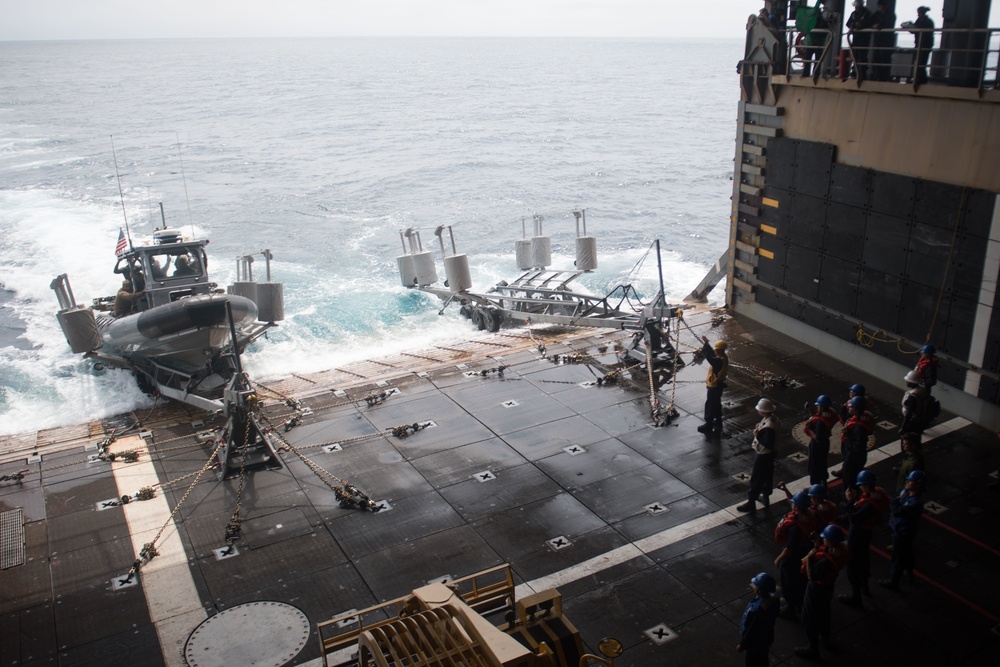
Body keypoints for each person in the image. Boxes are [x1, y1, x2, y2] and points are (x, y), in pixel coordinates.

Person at [794, 524, 849, 661]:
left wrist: (811, 557)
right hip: (828, 588)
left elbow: (811, 576)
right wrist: (817, 544)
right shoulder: (840, 551)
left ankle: (813, 648)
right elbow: (828, 551)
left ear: (829, 541)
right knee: (824, 613)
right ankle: (825, 638)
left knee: (809, 616)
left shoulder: (825, 562)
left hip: (816, 589)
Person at [839, 469, 890, 607]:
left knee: (853, 563)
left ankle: (856, 595)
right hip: (867, 532)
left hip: (858, 533)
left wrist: (850, 502)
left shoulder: (869, 504)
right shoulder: (878, 493)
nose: (860, 488)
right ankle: (865, 587)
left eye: (861, 485)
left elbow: (855, 518)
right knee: (863, 559)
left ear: (866, 486)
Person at [774, 489, 817, 619]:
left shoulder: (795, 528)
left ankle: (791, 607)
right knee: (800, 579)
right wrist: (786, 490)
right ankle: (798, 602)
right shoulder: (810, 515)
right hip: (804, 551)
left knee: (788, 581)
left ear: (797, 506)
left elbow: (790, 548)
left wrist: (779, 559)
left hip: (793, 556)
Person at [880, 470, 925, 590]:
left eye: (910, 481)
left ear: (917, 484)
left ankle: (894, 580)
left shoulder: (915, 503)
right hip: (900, 527)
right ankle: (909, 571)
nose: (907, 482)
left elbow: (896, 509)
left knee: (898, 556)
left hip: (904, 531)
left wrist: (895, 503)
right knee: (907, 552)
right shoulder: (906, 491)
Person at [738, 398, 780, 512]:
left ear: (764, 411)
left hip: (763, 454)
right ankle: (766, 497)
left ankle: (751, 501)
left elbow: (768, 443)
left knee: (756, 478)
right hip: (770, 454)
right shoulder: (773, 419)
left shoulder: (769, 426)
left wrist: (758, 434)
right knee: (767, 476)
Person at [737, 572, 780, 666]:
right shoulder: (773, 601)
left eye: (755, 585)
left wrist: (742, 644)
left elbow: (752, 629)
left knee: (752, 661)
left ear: (759, 590)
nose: (753, 586)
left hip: (755, 644)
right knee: (763, 659)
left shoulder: (758, 610)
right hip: (765, 640)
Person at [836, 395, 874, 487]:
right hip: (855, 455)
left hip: (853, 457)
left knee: (849, 479)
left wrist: (848, 435)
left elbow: (858, 446)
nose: (850, 408)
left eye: (852, 407)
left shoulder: (858, 428)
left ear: (856, 409)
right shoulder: (860, 420)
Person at [697, 336, 729, 436]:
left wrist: (704, 349)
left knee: (710, 405)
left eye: (716, 349)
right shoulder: (722, 357)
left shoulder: (718, 361)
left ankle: (709, 424)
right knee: (716, 404)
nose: (715, 351)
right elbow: (712, 354)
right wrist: (707, 344)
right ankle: (718, 422)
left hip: (714, 386)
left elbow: (709, 357)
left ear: (719, 351)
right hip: (718, 386)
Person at [803, 394, 838, 485]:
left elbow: (818, 438)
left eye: (818, 406)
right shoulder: (830, 414)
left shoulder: (820, 423)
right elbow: (819, 415)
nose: (817, 407)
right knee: (823, 464)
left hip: (817, 445)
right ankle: (823, 483)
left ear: (822, 407)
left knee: (814, 466)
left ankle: (815, 486)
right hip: (825, 443)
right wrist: (810, 410)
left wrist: (809, 429)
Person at [902, 6, 935, 84]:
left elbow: (924, 31)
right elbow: (915, 30)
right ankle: (921, 78)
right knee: (919, 62)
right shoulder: (923, 20)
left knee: (922, 62)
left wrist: (913, 27)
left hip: (925, 44)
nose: (918, 14)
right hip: (920, 43)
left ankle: (921, 79)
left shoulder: (928, 21)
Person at [846, 0, 874, 80]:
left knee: (863, 55)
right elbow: (848, 23)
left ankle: (863, 73)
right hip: (856, 37)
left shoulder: (867, 13)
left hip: (864, 38)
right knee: (855, 55)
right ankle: (855, 71)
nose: (856, 7)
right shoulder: (854, 14)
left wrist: (862, 25)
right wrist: (854, 25)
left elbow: (869, 23)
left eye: (857, 6)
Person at [870, 1, 896, 81]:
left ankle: (884, 76)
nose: (880, 7)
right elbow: (870, 21)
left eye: (881, 6)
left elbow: (889, 24)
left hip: (887, 40)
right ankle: (876, 75)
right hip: (878, 39)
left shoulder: (890, 14)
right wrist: (873, 25)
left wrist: (879, 25)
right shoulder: (877, 14)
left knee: (885, 58)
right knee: (876, 57)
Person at [900, 369, 929, 436]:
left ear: (911, 382)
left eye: (908, 381)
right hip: (921, 419)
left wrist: (903, 427)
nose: (906, 382)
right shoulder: (922, 390)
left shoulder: (912, 396)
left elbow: (909, 413)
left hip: (912, 422)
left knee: (908, 438)